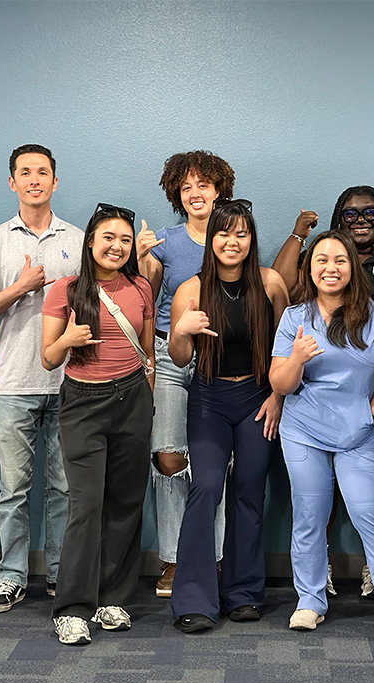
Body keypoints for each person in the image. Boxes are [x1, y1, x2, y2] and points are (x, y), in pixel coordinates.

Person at [272, 186, 374, 598]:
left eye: (370, 212)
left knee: (372, 508)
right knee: (311, 511)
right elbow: (281, 284)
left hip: (370, 412)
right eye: (350, 213)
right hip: (307, 423)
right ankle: (314, 586)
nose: (361, 219)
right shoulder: (297, 315)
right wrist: (297, 236)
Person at [0, 144, 83, 613]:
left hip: (69, 382)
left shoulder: (76, 240)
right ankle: (11, 576)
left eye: (43, 172)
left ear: (56, 182)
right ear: (12, 182)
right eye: (25, 173)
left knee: (64, 488)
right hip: (13, 383)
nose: (35, 179)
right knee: (12, 490)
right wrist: (19, 287)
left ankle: (58, 574)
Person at [167, 199, 288, 632]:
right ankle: (194, 598)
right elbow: (179, 357)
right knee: (205, 488)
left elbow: (285, 348)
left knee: (249, 491)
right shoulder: (191, 290)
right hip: (210, 399)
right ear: (211, 238)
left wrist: (277, 396)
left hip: (258, 398)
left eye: (241, 233)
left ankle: (243, 593)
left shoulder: (271, 283)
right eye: (223, 233)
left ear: (251, 238)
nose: (232, 242)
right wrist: (181, 332)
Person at [41, 203, 154, 645]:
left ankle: (113, 600)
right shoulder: (64, 290)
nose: (117, 246)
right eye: (108, 237)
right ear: (90, 241)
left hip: (132, 398)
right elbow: (48, 357)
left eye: (125, 240)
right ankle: (71, 608)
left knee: (126, 501)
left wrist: (147, 398)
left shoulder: (141, 287)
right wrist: (67, 340)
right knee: (86, 505)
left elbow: (147, 354)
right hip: (83, 402)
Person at [136, 150, 235, 598]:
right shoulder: (164, 242)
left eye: (204, 185)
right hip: (167, 353)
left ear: (220, 189)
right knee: (169, 458)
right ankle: (174, 558)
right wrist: (148, 364)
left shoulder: (235, 236)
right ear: (177, 192)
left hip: (221, 360)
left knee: (213, 466)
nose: (196, 194)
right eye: (187, 187)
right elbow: (142, 303)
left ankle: (208, 559)